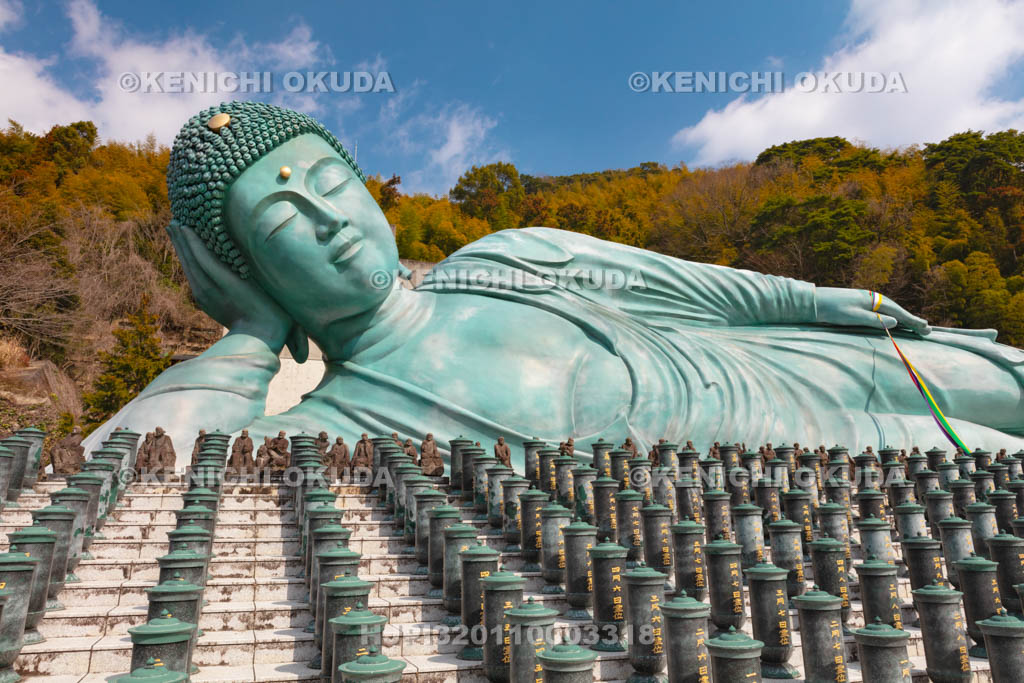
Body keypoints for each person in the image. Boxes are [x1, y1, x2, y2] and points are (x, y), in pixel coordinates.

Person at [82, 101, 1024, 472]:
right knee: (988, 459)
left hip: (770, 362)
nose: (329, 220)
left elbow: (703, 291)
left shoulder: (503, 253)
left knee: (998, 381)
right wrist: (248, 334)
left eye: (333, 186)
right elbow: (128, 475)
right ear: (242, 270)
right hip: (781, 462)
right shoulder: (340, 423)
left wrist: (830, 302)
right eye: (284, 226)